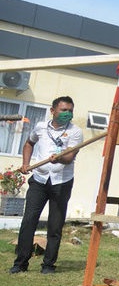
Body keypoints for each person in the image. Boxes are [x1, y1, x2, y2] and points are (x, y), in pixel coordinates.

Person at [9, 96, 83, 274]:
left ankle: (48, 265)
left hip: (61, 182)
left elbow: (69, 158)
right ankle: (20, 263)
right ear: (53, 110)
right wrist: (26, 163)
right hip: (39, 180)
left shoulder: (75, 131)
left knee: (55, 225)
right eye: (63, 110)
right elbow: (29, 143)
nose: (67, 114)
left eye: (70, 111)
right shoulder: (41, 127)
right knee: (28, 221)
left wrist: (60, 157)